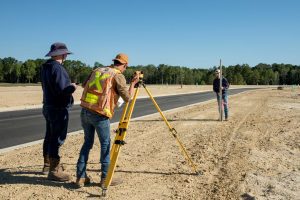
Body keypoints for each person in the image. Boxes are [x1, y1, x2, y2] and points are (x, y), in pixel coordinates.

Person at [76, 53, 139, 188]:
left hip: (85, 110)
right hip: (100, 114)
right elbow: (128, 98)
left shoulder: (97, 70)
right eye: (125, 67)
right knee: (105, 145)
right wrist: (133, 83)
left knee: (87, 143)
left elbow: (83, 85)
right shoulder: (117, 75)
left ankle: (80, 177)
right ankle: (105, 178)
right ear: (125, 65)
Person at [41, 42, 77, 181]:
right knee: (56, 138)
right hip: (58, 108)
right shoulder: (58, 68)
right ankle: (54, 170)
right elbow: (64, 90)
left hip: (48, 105)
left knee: (49, 136)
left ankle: (47, 164)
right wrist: (72, 87)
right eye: (66, 54)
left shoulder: (45, 67)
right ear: (62, 54)